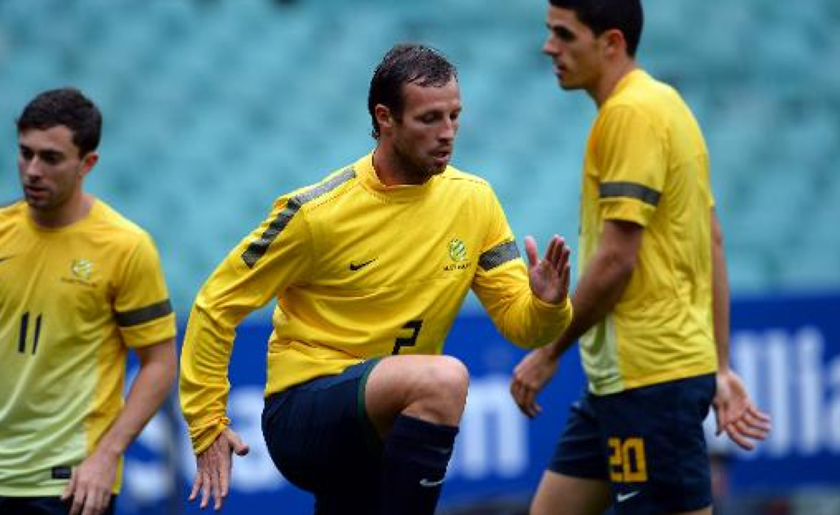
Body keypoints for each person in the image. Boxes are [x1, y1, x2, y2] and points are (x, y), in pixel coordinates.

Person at [179, 42, 574, 515]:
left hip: (389, 421)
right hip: (306, 412)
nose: (448, 133)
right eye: (429, 119)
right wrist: (206, 423)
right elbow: (216, 302)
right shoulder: (315, 214)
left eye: (454, 116)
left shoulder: (475, 201)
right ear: (385, 118)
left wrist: (549, 305)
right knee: (443, 378)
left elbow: (523, 326)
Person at [509, 2, 772, 515]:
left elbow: (615, 261)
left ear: (611, 43)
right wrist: (718, 364)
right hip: (622, 383)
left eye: (564, 35)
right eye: (549, 33)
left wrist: (547, 354)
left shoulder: (629, 115)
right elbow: (712, 239)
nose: (549, 48)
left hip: (651, 381)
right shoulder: (667, 104)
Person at [0, 88, 178, 515]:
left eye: (51, 158)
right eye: (25, 154)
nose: (32, 170)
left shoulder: (125, 247)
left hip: (69, 484)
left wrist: (106, 455)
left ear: (87, 164)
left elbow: (160, 362)